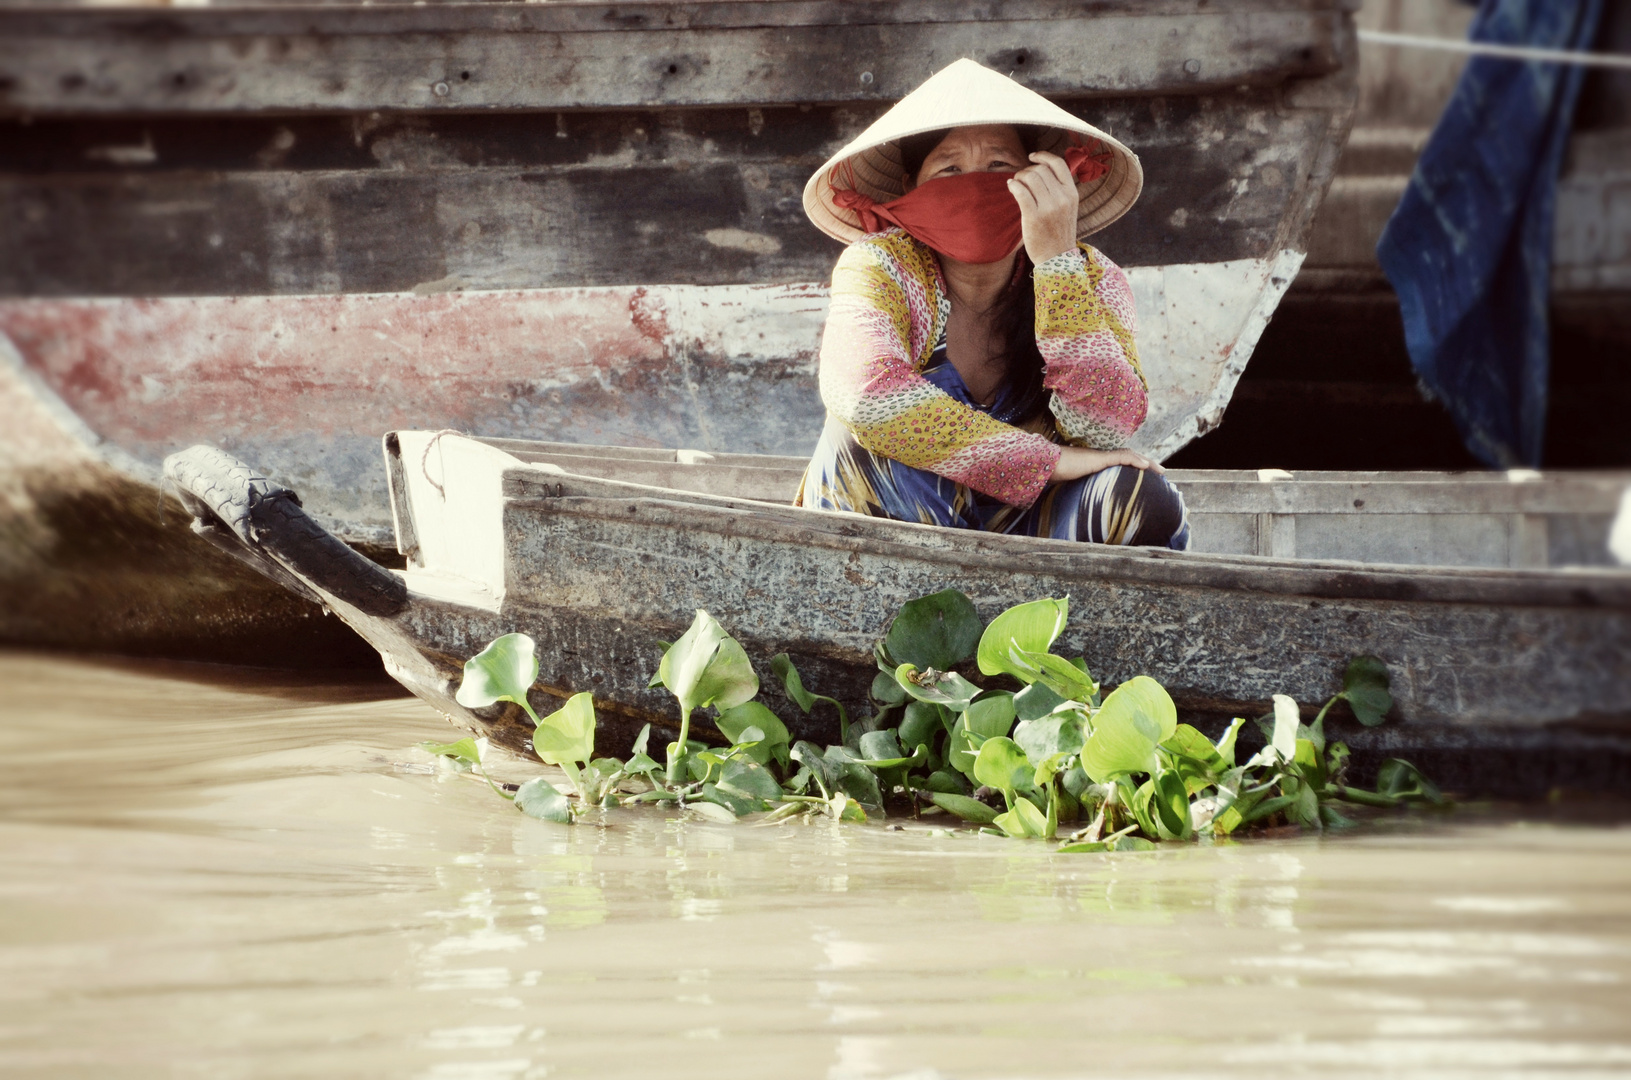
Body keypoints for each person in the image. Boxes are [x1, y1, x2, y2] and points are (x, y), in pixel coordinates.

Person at [795, 59, 1189, 549]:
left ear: (1042, 179)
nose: (975, 187)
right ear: (909, 190)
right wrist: (1047, 462)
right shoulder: (879, 266)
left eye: (1000, 166)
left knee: (1139, 495)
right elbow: (863, 396)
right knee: (858, 443)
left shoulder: (1090, 275)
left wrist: (1055, 261)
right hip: (903, 531)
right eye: (949, 168)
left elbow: (1108, 427)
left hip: (1030, 530)